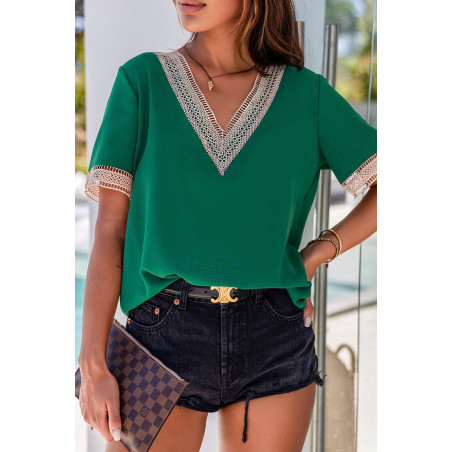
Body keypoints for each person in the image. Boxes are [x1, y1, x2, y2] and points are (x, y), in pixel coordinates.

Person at [77, 0, 377, 451]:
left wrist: (318, 252)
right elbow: (110, 233)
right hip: (163, 338)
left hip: (275, 335)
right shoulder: (142, 82)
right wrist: (92, 363)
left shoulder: (305, 95)